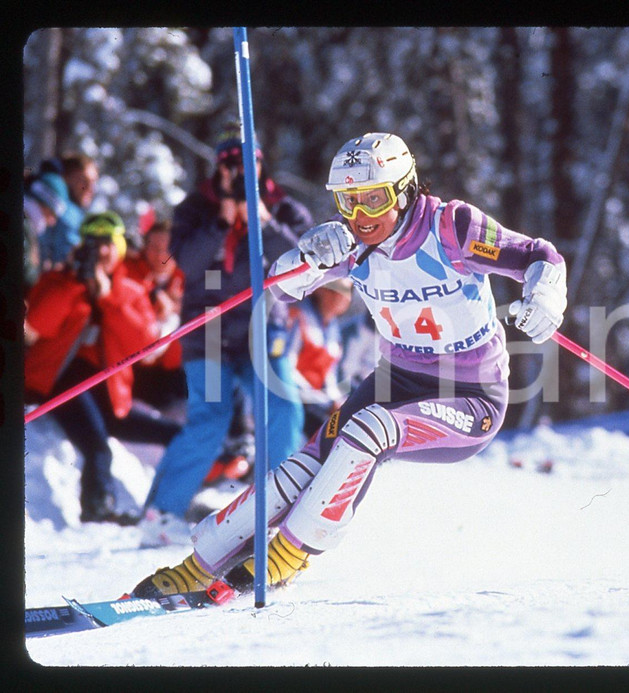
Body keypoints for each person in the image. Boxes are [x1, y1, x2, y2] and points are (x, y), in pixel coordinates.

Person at [132, 132, 567, 599]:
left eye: (374, 199)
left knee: (369, 429)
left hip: (470, 396)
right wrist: (306, 256)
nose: (361, 216)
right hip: (397, 380)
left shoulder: (451, 227)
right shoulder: (351, 242)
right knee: (308, 460)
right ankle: (199, 565)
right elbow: (278, 288)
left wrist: (544, 295)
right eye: (348, 201)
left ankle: (290, 552)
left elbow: (538, 256)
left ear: (404, 190)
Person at [139, 124, 311, 544]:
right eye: (231, 165)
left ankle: (282, 507)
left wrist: (263, 222)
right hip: (211, 330)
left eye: (249, 163)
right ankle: (161, 513)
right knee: (210, 417)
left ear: (261, 165)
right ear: (217, 168)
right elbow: (187, 264)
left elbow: (303, 264)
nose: (240, 173)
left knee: (283, 405)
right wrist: (222, 221)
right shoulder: (197, 208)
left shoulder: (283, 208)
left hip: (261, 327)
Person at [24, 212, 183, 524]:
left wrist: (109, 297)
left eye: (108, 243)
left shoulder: (131, 290)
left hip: (110, 393)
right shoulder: (60, 280)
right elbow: (39, 325)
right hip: (59, 381)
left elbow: (145, 345)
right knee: (98, 448)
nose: (102, 251)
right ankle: (98, 510)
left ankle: (164, 506)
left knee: (177, 435)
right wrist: (75, 283)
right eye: (93, 243)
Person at [286, 277, 378, 435]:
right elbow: (286, 370)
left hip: (316, 403)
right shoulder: (298, 315)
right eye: (333, 289)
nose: (339, 296)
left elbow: (329, 375)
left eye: (345, 291)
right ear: (319, 289)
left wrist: (338, 402)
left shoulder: (333, 327)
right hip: (293, 401)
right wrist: (326, 402)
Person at [123, 219, 187, 408]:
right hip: (134, 367)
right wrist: (155, 296)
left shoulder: (187, 277)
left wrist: (178, 308)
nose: (160, 255)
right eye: (154, 247)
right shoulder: (131, 269)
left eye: (167, 249)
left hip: (175, 371)